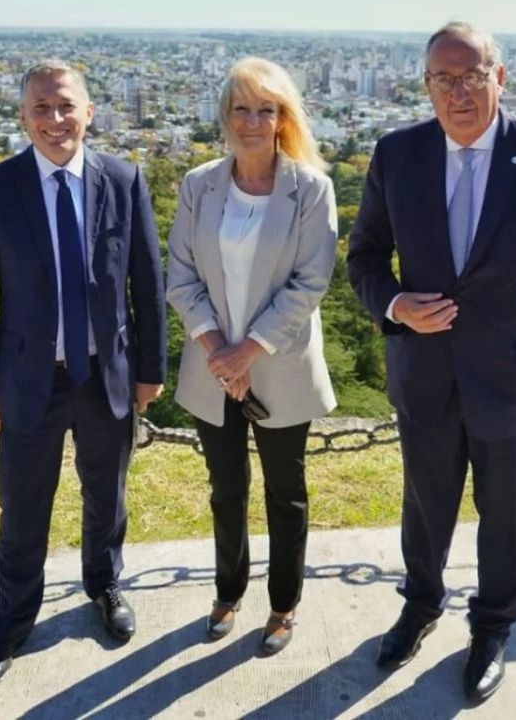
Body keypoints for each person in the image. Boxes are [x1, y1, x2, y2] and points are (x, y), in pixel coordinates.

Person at [346, 22, 516, 702]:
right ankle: (419, 606)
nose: (459, 92)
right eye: (443, 79)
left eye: (472, 76)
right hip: (424, 371)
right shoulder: (397, 154)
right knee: (426, 506)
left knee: (508, 511)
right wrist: (396, 305)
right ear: (426, 86)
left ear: (500, 77)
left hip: (515, 372)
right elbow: (364, 257)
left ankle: (492, 629)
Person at [0, 60, 167, 693]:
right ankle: (12, 623)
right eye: (41, 109)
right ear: (24, 116)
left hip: (107, 375)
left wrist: (150, 371)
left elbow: (146, 283)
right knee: (23, 509)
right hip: (27, 382)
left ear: (89, 111)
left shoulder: (123, 179)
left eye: (66, 106)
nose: (55, 120)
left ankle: (104, 589)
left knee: (108, 497)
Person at [166, 56, 338, 655]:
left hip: (280, 366)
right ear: (225, 116)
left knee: (285, 493)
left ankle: (284, 604)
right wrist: (220, 352)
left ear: (283, 118)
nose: (252, 120)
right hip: (213, 367)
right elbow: (181, 278)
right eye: (241, 108)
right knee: (225, 488)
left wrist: (248, 353)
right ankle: (228, 591)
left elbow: (310, 282)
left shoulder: (310, 189)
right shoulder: (199, 184)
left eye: (266, 109)